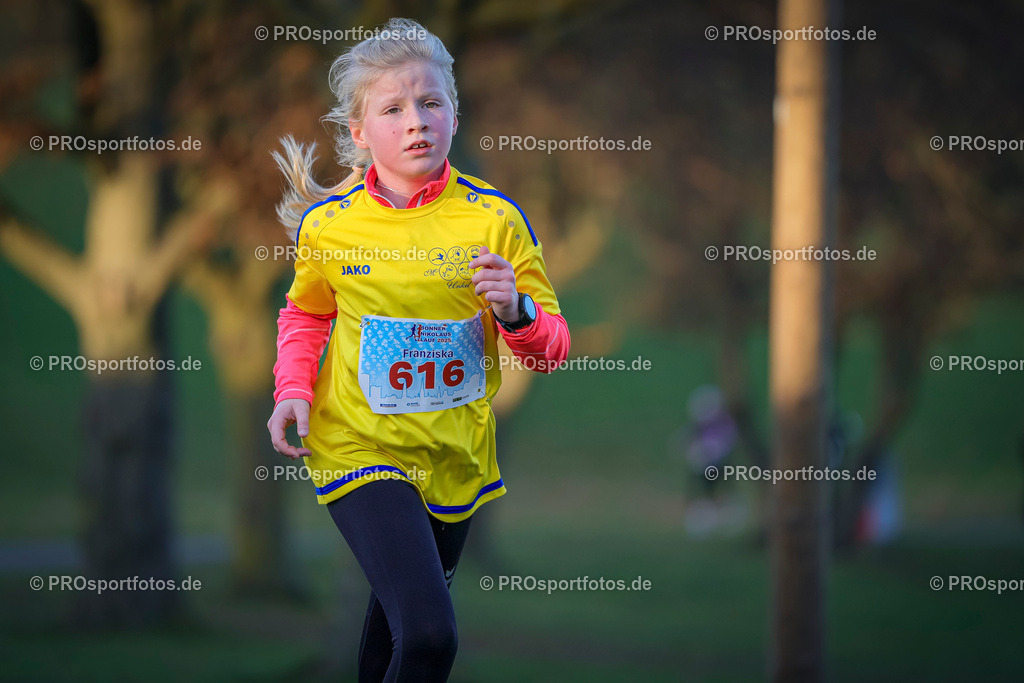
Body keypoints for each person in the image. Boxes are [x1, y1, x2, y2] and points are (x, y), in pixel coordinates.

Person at [265, 18, 570, 682]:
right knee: (432, 637)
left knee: (395, 647)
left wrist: (515, 310)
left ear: (454, 117)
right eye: (394, 107)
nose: (416, 121)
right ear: (358, 132)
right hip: (360, 446)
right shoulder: (331, 227)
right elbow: (306, 312)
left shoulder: (496, 219)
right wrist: (293, 388)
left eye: (431, 102)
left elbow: (551, 349)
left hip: (454, 453)